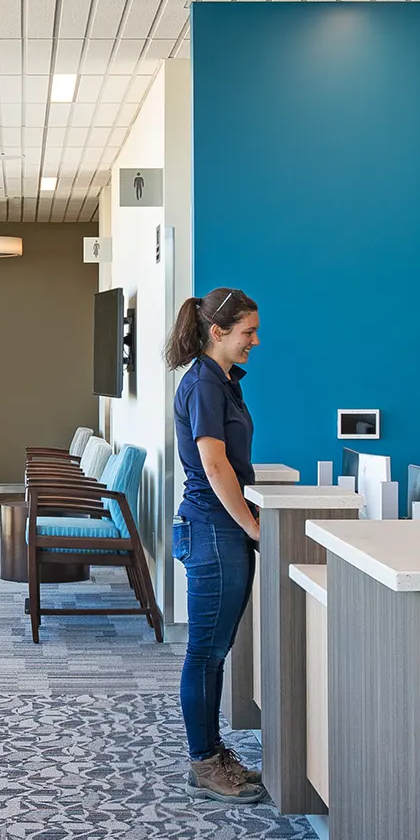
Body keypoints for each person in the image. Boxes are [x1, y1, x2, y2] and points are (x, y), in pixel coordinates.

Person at [168, 286, 268, 804]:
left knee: (216, 649)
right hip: (212, 527)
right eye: (247, 332)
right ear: (217, 332)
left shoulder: (223, 382)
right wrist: (252, 527)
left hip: (216, 526)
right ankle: (204, 762)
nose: (255, 340)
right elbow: (213, 464)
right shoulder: (205, 384)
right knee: (205, 651)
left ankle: (210, 750)